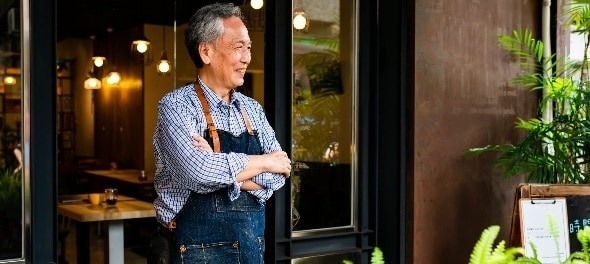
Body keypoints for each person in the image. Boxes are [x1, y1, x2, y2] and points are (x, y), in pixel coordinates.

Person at [151, 2, 292, 264]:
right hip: (192, 250)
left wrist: (221, 165)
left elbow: (280, 174)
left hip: (250, 249)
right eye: (238, 47)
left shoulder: (253, 109)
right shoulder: (176, 105)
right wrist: (263, 161)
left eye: (248, 47)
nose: (247, 57)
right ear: (206, 51)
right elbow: (198, 171)